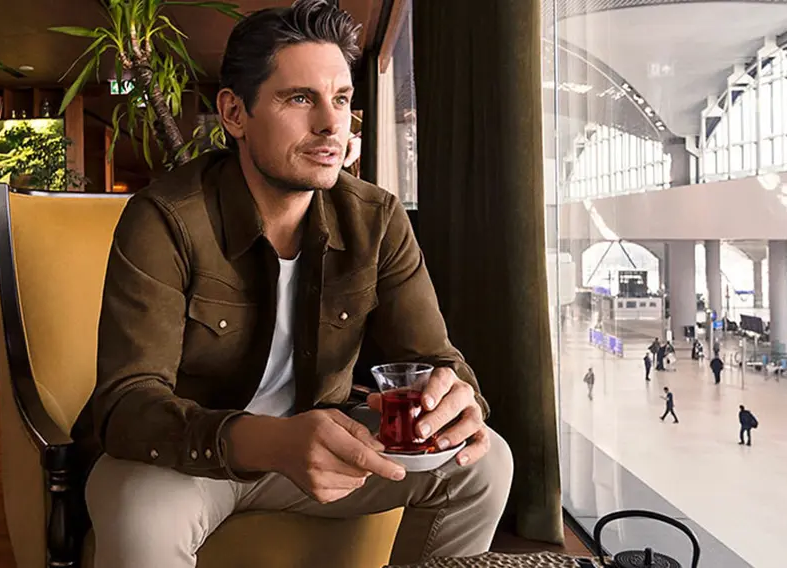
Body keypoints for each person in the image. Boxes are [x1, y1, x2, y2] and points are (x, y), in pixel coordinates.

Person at [75, 3, 514, 566]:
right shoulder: (166, 217)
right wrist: (270, 442)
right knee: (140, 517)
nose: (332, 124)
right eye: (300, 98)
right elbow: (127, 405)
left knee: (485, 462)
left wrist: (456, 400)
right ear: (235, 113)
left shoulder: (376, 219)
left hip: (322, 448)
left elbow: (434, 359)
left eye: (342, 99)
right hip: (189, 459)